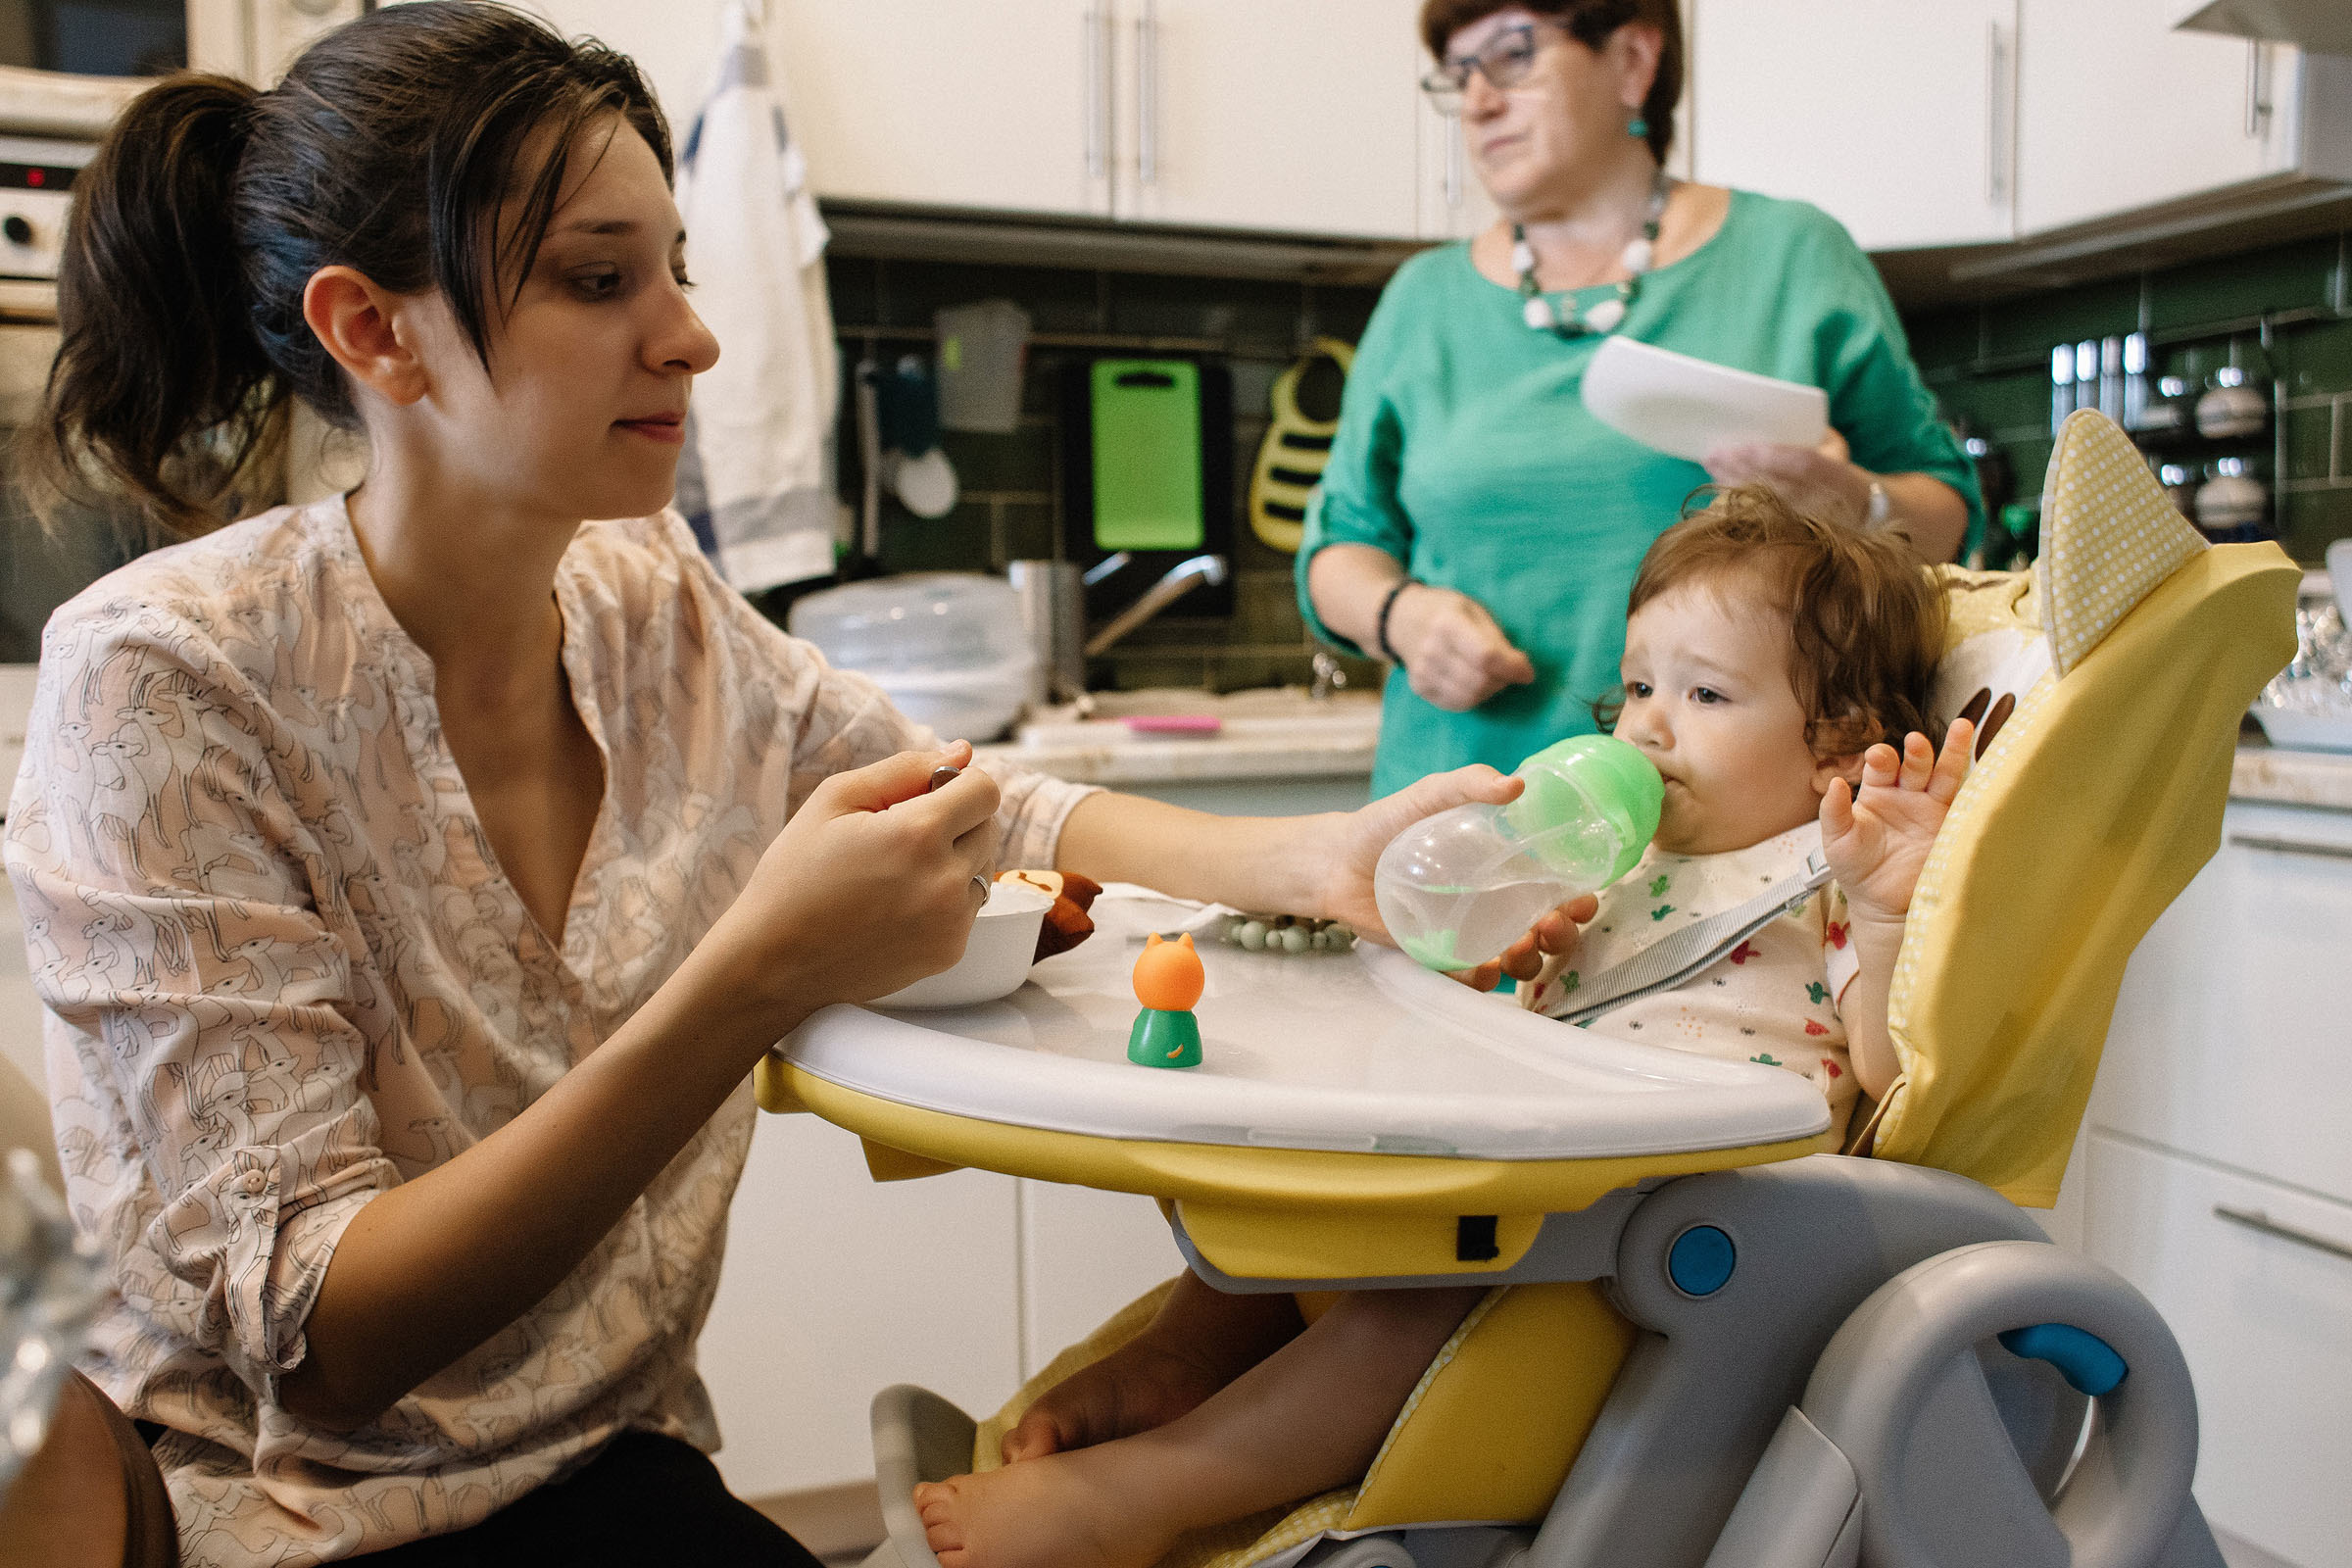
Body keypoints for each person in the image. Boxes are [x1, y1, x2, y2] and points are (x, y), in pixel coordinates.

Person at [2, 8, 1543, 1565]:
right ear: (374, 331)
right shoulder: (170, 675)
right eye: (600, 280)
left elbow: (962, 797)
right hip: (301, 1520)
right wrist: (751, 980)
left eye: (677, 268)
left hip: (609, 1458)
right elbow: (323, 1334)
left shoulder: (642, 597)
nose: (691, 335)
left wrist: (1310, 862)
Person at [911, 487, 1974, 1568]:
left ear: (1837, 748)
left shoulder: (1823, 881)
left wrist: (1888, 910)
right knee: (1316, 1194)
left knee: (1418, 1301)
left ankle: (1141, 1494)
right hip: (1539, 1169)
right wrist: (1498, 936)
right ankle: (1179, 1358)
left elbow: (1893, 1087)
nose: (1648, 723)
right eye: (1640, 684)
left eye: (1704, 693)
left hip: (1645, 1240)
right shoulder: (1620, 859)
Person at [1299, 0, 1982, 802]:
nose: (1478, 103)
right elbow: (1338, 547)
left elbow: (1945, 518)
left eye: (1512, 57)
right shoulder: (1423, 300)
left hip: (1729, 840)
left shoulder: (1792, 258)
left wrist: (1856, 502)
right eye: (1459, 75)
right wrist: (1401, 618)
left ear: (1632, 62)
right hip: (1458, 827)